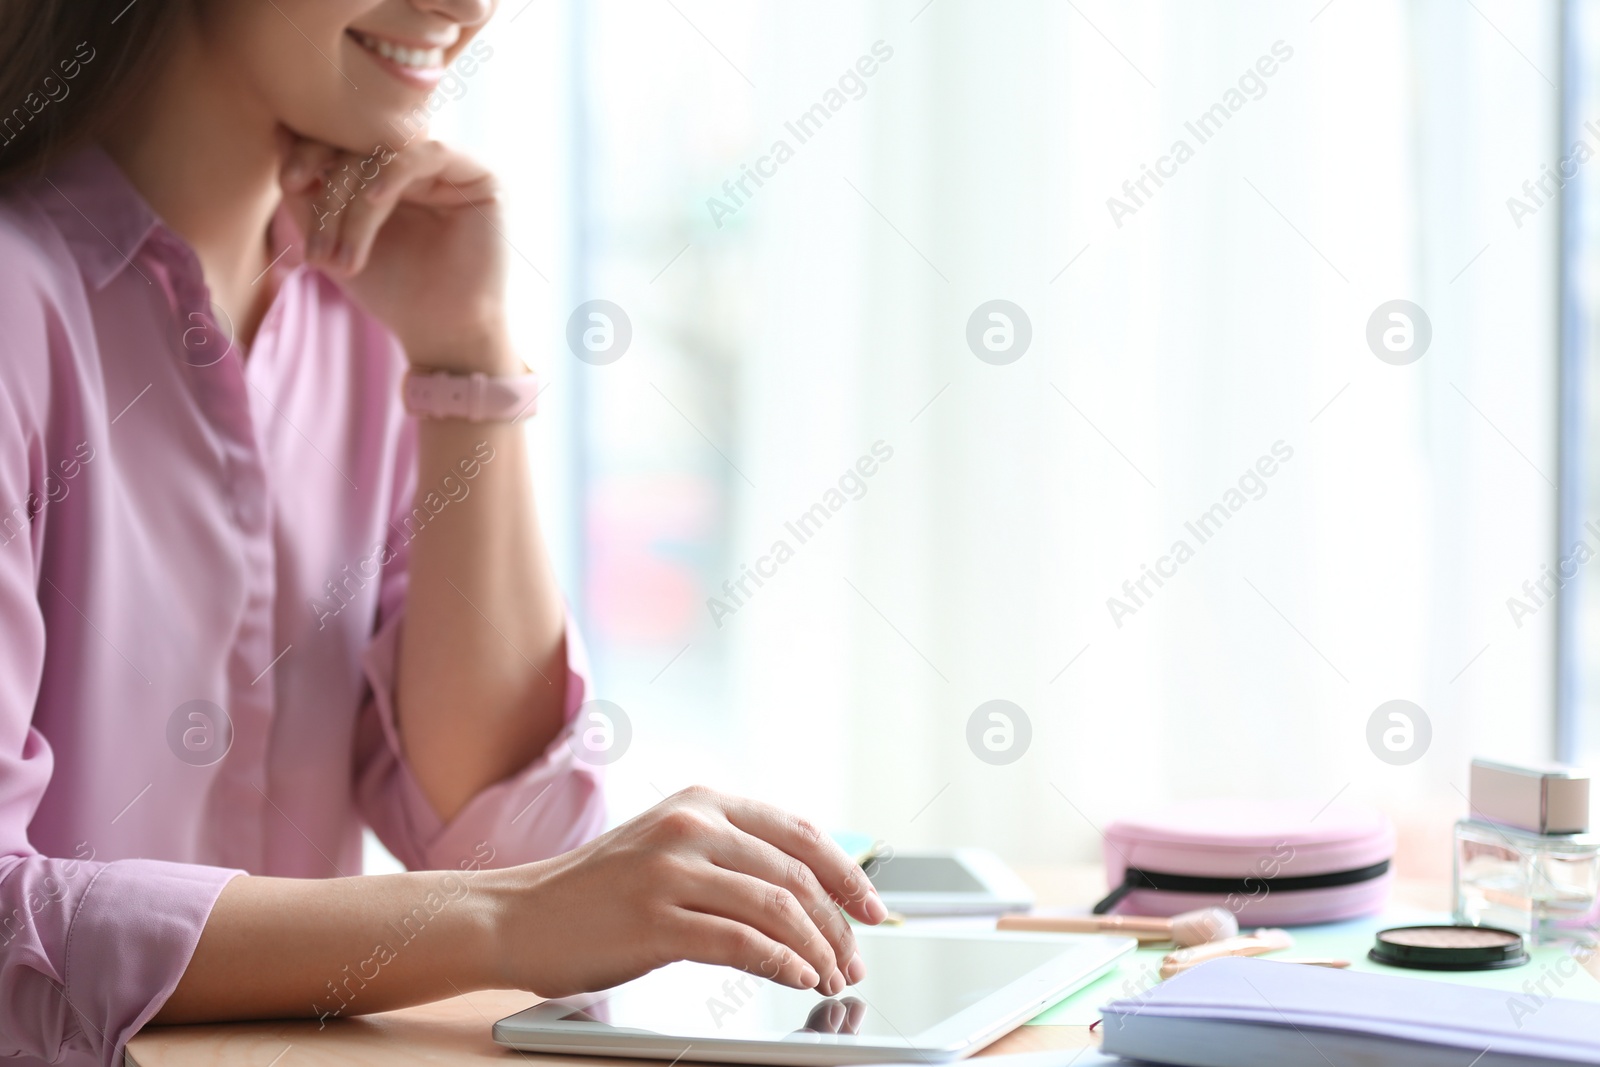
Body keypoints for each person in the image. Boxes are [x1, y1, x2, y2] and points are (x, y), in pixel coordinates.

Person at [0, 3, 886, 1065]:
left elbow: (515, 838)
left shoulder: (366, 307)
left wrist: (467, 358)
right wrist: (502, 916)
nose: (466, 7)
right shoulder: (19, 307)